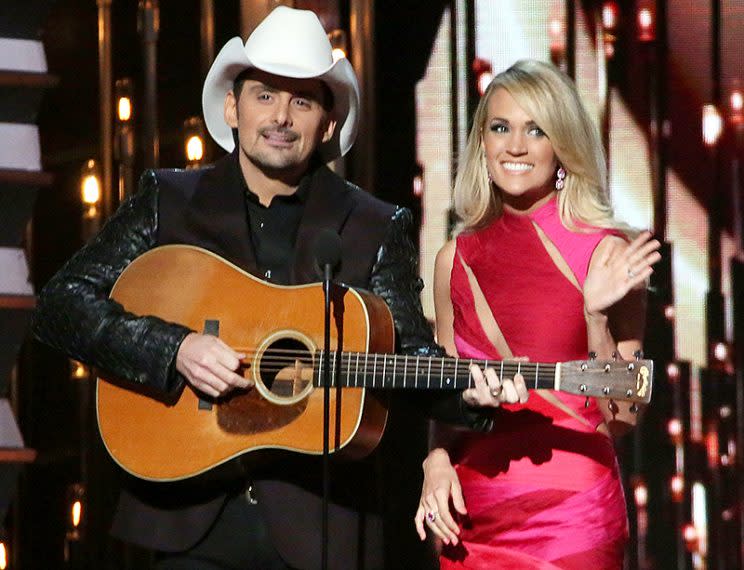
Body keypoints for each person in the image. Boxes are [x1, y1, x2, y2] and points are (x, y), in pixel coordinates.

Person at [32, 7, 501, 569]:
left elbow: (406, 353)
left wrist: (466, 395)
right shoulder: (167, 202)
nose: (281, 116)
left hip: (320, 532)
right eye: (264, 96)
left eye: (302, 100)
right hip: (186, 521)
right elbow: (61, 304)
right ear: (233, 107)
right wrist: (174, 348)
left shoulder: (374, 224)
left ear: (327, 123)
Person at [413, 59, 662, 568]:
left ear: (562, 146)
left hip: (572, 516)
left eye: (536, 130)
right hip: (473, 512)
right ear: (482, 142)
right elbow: (444, 397)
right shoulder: (453, 261)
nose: (516, 146)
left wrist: (595, 317)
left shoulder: (607, 253)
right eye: (501, 128)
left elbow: (626, 416)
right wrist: (435, 463)